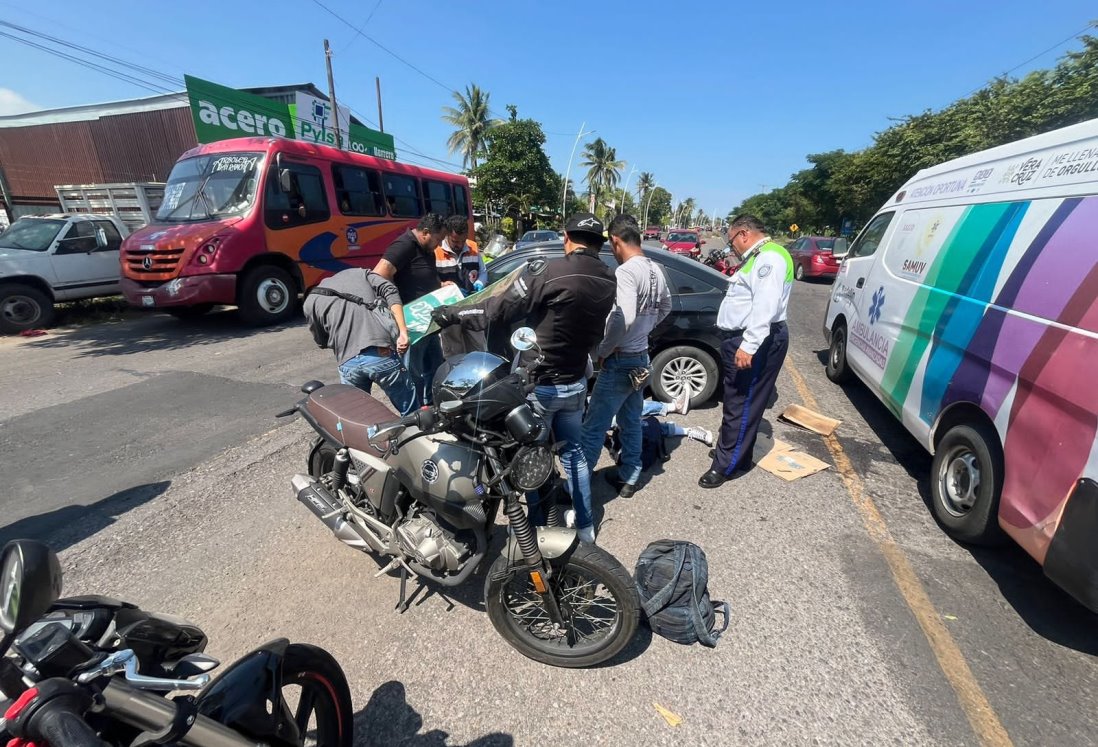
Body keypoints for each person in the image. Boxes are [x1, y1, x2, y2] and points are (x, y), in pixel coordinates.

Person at [432, 212, 616, 543]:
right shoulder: (608, 278)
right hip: (576, 382)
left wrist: (452, 314)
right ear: (597, 244)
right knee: (573, 455)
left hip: (540, 385)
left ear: (566, 238)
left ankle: (539, 532)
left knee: (533, 460)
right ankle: (586, 527)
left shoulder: (551, 271)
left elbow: (496, 309)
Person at [580, 214, 671, 498]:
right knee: (631, 421)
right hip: (641, 357)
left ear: (615, 240)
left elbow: (624, 316)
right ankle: (630, 476)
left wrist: (605, 350)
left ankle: (576, 488)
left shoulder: (627, 272)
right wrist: (645, 329)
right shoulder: (656, 268)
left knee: (593, 428)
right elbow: (666, 306)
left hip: (621, 361)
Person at [699, 214, 793, 488]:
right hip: (745, 338)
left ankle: (726, 465)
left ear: (743, 234)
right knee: (738, 402)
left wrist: (749, 345)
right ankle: (737, 454)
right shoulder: (759, 257)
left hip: (755, 341)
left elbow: (765, 305)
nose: (731, 248)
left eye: (731, 242)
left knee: (741, 404)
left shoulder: (769, 259)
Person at [303, 267, 418, 415]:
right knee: (412, 413)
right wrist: (402, 331)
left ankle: (373, 437)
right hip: (380, 353)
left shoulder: (310, 303)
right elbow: (389, 289)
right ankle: (417, 435)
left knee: (361, 417)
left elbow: (321, 341)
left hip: (348, 363)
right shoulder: (358, 272)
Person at [374, 213, 447, 404]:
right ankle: (416, 411)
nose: (439, 245)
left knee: (436, 365)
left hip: (428, 319)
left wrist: (440, 286)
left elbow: (423, 277)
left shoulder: (426, 249)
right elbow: (379, 275)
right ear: (425, 233)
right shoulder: (404, 245)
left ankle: (432, 404)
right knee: (414, 371)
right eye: (438, 239)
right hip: (411, 320)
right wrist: (397, 305)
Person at [435, 215, 488, 357]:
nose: (459, 244)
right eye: (455, 241)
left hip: (471, 306)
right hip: (449, 310)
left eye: (462, 240)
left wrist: (480, 282)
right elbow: (428, 280)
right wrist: (441, 285)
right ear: (447, 235)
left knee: (479, 348)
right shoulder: (436, 250)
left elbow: (483, 272)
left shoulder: (472, 247)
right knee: (454, 351)